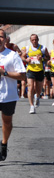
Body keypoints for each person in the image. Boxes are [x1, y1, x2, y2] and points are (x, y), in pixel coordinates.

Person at [0, 29, 27, 161]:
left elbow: (22, 76)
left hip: (8, 95)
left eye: (0, 37)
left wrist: (4, 73)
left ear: (5, 40)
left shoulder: (12, 55)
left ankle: (4, 143)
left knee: (7, 122)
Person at [22, 34, 50, 114]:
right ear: (30, 41)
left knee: (38, 88)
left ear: (38, 39)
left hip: (40, 70)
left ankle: (37, 97)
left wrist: (42, 58)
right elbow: (22, 57)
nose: (34, 41)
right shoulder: (27, 48)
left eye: (36, 39)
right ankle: (31, 106)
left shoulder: (43, 48)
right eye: (33, 40)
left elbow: (48, 58)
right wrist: (26, 60)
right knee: (30, 87)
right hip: (30, 70)